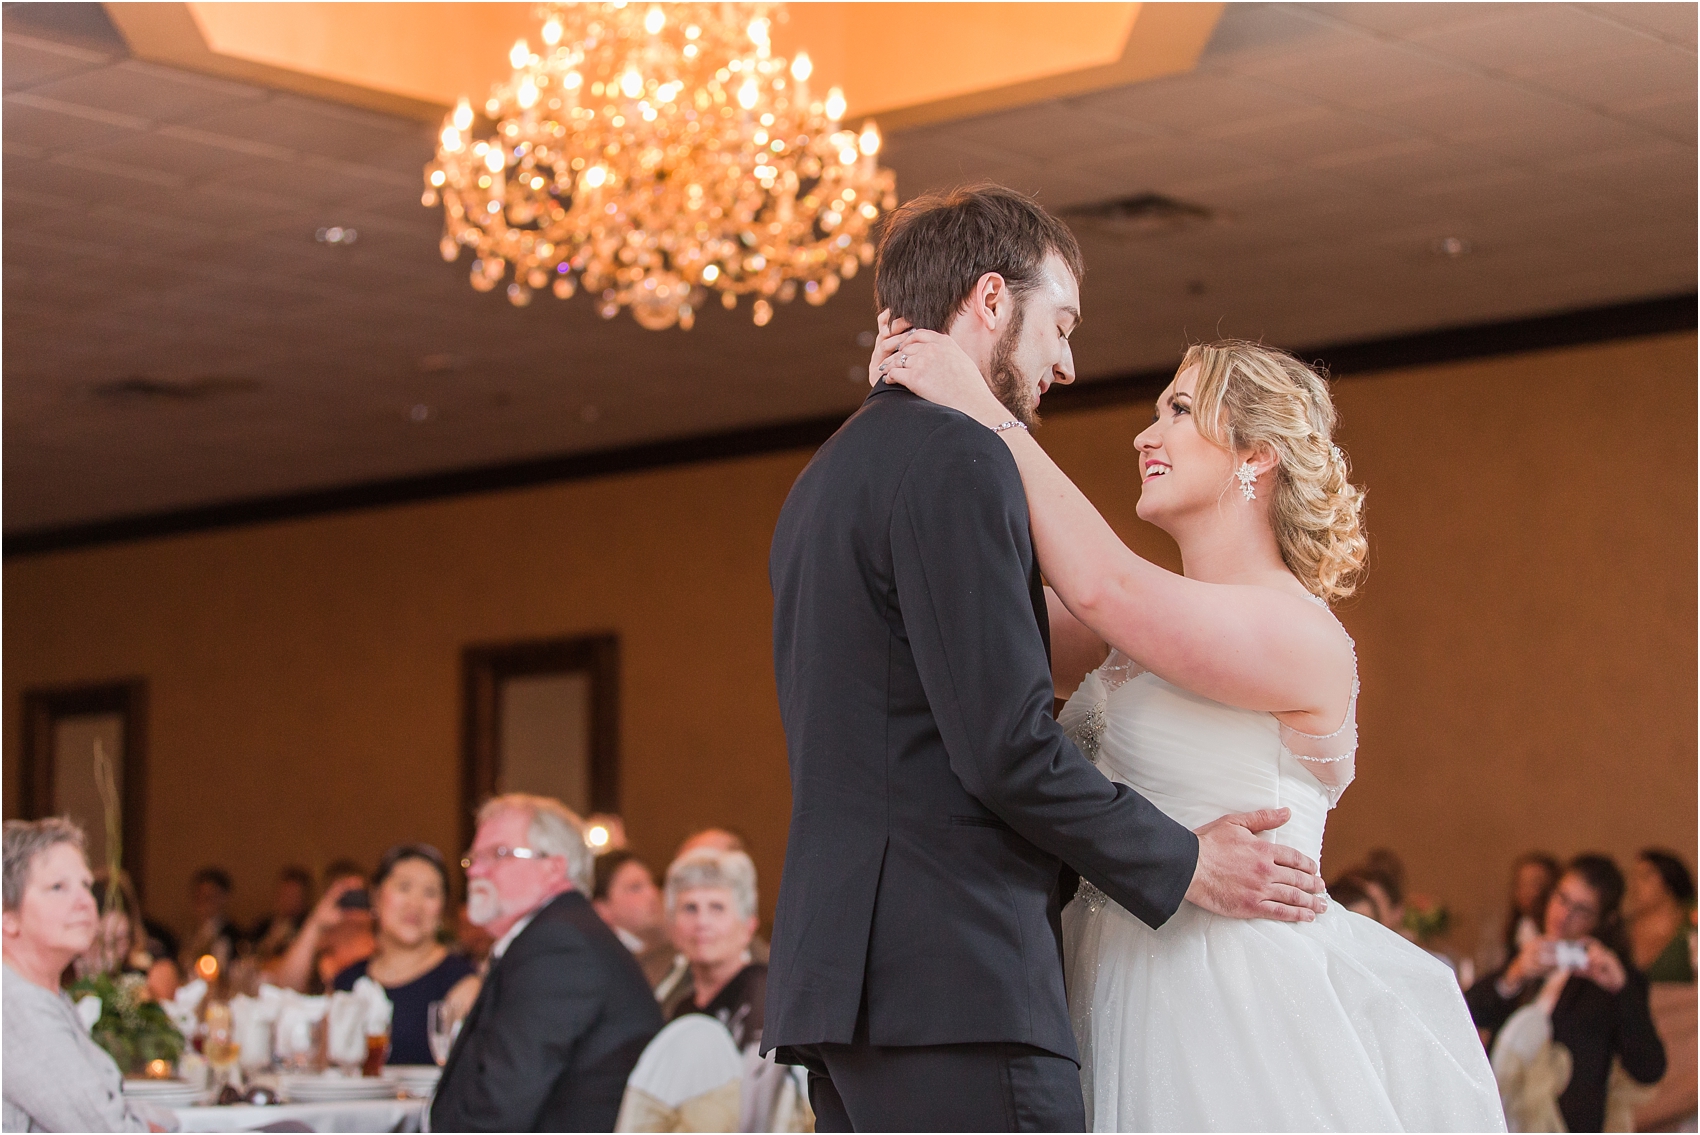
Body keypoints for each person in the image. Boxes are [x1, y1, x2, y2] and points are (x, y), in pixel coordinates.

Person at [875, 252, 1504, 1126]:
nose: (1144, 434)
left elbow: (1106, 586)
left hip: (1227, 998)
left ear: (1256, 456)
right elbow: (968, 605)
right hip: (1099, 973)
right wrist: (899, 414)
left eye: (1176, 410)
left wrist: (980, 408)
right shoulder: (1126, 631)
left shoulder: (1302, 635)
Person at [767, 185, 1330, 1132]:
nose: (1066, 365)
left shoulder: (826, 475)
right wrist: (1184, 860)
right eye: (1060, 326)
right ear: (991, 301)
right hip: (956, 981)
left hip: (849, 984)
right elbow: (1004, 747)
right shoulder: (958, 457)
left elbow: (1092, 618)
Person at [431, 794, 662, 1131]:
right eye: (473, 858)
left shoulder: (560, 945)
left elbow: (501, 1106)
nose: (475, 871)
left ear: (553, 867)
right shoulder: (556, 934)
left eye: (498, 854)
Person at [1467, 854, 1667, 1131]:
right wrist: (1513, 975)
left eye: (1581, 910)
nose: (1564, 915)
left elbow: (1649, 1068)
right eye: (1561, 899)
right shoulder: (1530, 954)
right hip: (1502, 1117)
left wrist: (1620, 990)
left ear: (1604, 920)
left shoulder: (1614, 979)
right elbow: (1468, 1013)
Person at [2, 818, 167, 1132]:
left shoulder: (41, 993)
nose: (84, 902)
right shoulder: (16, 1008)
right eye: (58, 887)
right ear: (7, 916)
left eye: (86, 885)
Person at [330, 844, 478, 1067]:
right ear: (377, 896)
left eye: (430, 892)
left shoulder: (462, 983)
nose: (415, 904)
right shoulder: (348, 981)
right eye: (404, 887)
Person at [665, 849, 765, 1047]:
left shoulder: (766, 998)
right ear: (672, 928)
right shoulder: (679, 1007)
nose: (702, 922)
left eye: (717, 907)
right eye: (690, 908)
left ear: (748, 926)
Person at [263, 871, 374, 994]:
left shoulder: (380, 942)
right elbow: (286, 989)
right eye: (344, 896)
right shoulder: (319, 941)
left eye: (359, 895)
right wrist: (315, 923)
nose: (353, 902)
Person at [593, 850, 674, 987]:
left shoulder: (672, 948)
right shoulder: (605, 963)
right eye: (635, 888)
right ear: (601, 908)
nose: (652, 894)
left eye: (652, 883)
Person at [1627, 848, 1696, 982]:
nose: (1635, 884)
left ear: (1668, 881)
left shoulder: (1691, 927)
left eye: (1645, 877)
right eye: (1634, 877)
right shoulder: (1621, 929)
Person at [1500, 852, 1562, 969]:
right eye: (1521, 883)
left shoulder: (1555, 932)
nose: (1526, 891)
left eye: (1535, 883)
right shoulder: (1519, 927)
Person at [247, 865, 313, 962]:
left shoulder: (306, 929)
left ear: (304, 900)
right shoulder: (263, 925)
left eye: (293, 896)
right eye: (284, 894)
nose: (287, 901)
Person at [180, 866, 238, 974]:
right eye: (198, 897)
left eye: (209, 897)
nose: (202, 904)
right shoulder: (192, 932)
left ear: (223, 898)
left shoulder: (230, 935)